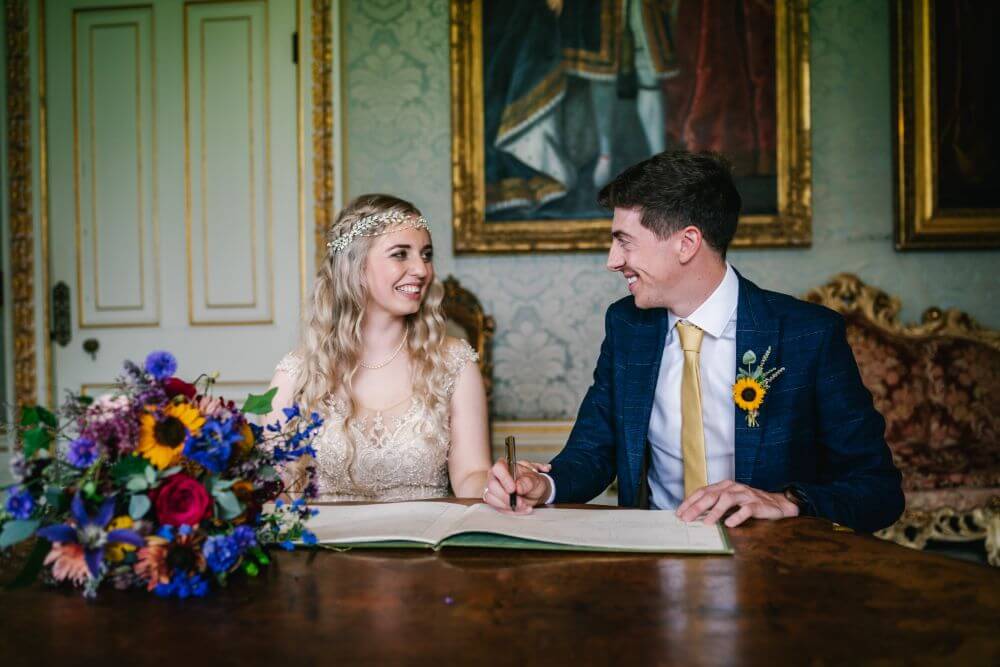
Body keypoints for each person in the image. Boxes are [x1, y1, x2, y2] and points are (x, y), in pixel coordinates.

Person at [484, 151, 904, 533]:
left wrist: (785, 502)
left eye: (624, 242)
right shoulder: (627, 326)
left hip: (774, 568)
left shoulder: (807, 334)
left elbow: (878, 490)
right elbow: (594, 451)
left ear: (686, 243)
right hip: (654, 562)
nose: (612, 261)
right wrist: (544, 484)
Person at [268, 194, 492, 501]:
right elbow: (276, 489)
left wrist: (502, 487)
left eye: (426, 255)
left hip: (425, 546)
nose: (422, 270)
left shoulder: (454, 362)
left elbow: (470, 476)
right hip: (324, 547)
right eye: (401, 254)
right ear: (355, 266)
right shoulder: (297, 373)